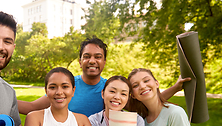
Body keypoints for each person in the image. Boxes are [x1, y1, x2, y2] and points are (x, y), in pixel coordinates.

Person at [17, 36, 191, 117]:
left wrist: (176, 88)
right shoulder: (68, 86)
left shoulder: (111, 89)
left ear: (104, 62)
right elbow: (32, 107)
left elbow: (146, 102)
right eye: (87, 56)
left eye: (98, 57)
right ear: (80, 61)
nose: (92, 61)